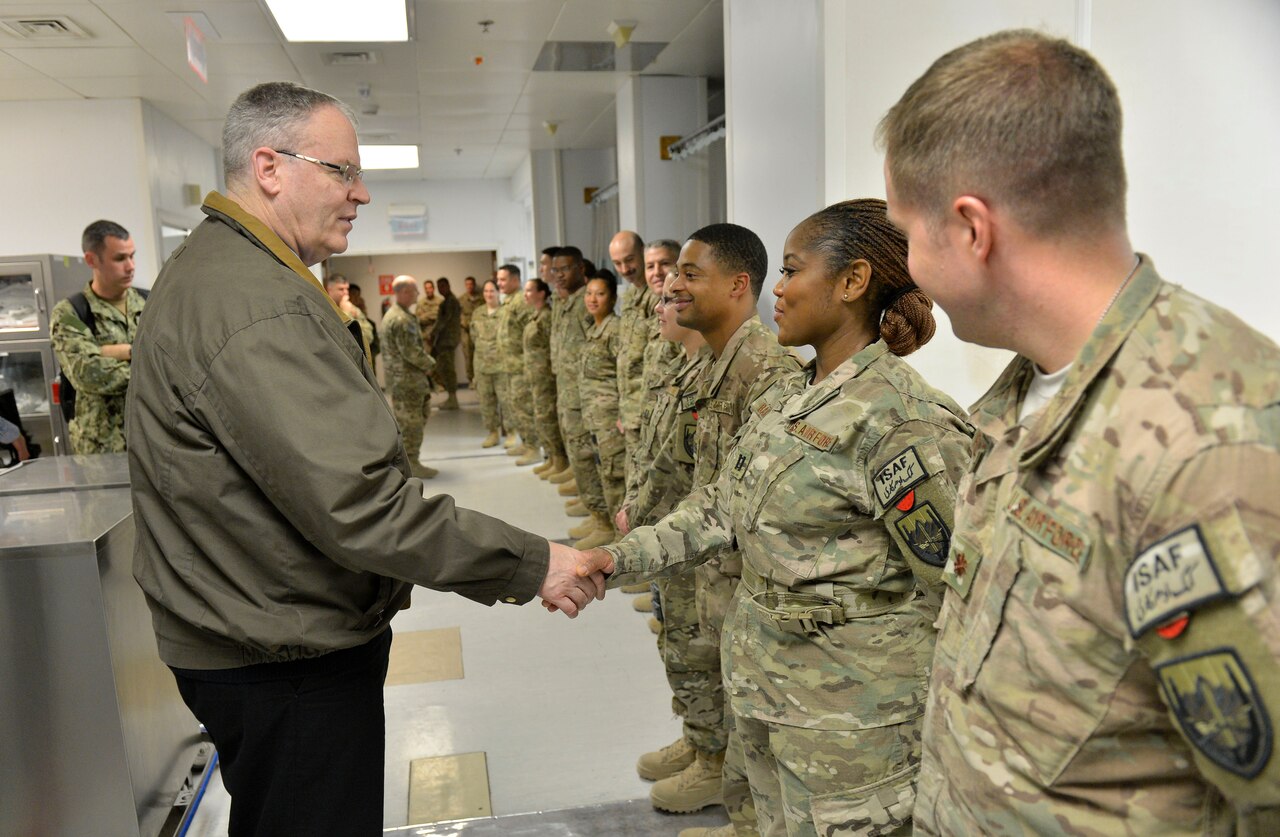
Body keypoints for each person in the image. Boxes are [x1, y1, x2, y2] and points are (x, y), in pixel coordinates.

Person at [126, 81, 605, 837]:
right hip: (282, 652)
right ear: (270, 166)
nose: (361, 193)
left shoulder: (230, 272)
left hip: (251, 626)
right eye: (341, 170)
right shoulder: (256, 302)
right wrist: (531, 561)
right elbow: (357, 502)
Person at [876, 30, 1280, 835]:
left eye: (906, 233)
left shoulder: (1208, 447)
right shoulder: (1024, 397)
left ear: (970, 229)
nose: (908, 264)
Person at [578, 201, 972, 836]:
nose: (778, 290)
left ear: (852, 282)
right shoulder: (800, 399)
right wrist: (615, 558)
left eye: (791, 271)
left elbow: (960, 589)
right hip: (772, 699)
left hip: (852, 732)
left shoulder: (901, 420)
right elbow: (720, 508)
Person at [618, 288, 716, 760]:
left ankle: (712, 754)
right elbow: (655, 451)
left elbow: (695, 473)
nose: (658, 310)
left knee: (693, 649)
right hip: (666, 535)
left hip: (690, 539)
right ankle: (699, 740)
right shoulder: (680, 367)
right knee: (676, 640)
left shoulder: (726, 373)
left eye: (669, 300)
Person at [50, 219, 147, 454]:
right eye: (120, 258)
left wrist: (112, 352)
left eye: (132, 256)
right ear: (92, 260)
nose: (131, 266)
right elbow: (87, 373)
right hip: (101, 449)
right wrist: (142, 357)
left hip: (150, 442)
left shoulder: (151, 302)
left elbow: (179, 358)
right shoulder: (71, 313)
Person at [548, 247, 609, 534]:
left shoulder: (586, 302)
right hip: (568, 391)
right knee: (578, 453)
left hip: (585, 396)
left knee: (588, 456)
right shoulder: (565, 302)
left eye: (565, 269)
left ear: (581, 269)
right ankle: (594, 510)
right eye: (555, 270)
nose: (558, 275)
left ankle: (602, 518)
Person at [577, 275, 623, 549]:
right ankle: (605, 525)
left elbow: (623, 372)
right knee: (603, 473)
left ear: (613, 298)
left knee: (616, 478)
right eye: (589, 294)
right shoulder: (593, 328)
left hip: (610, 418)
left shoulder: (614, 329)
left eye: (600, 294)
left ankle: (622, 540)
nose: (592, 299)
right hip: (594, 417)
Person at [610, 231, 658, 483]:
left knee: (645, 480)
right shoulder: (630, 296)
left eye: (629, 260)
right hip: (631, 408)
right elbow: (628, 359)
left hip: (648, 409)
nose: (625, 268)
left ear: (642, 253)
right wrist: (624, 409)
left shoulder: (659, 298)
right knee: (633, 475)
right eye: (617, 263)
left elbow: (658, 365)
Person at [381, 275, 438, 479]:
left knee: (413, 420)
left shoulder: (398, 314)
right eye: (415, 290)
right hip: (406, 381)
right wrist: (431, 365)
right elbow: (411, 352)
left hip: (405, 380)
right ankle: (411, 463)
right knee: (411, 424)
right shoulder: (400, 319)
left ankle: (411, 461)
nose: (418, 294)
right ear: (405, 292)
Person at [522, 277, 569, 479]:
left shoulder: (547, 317)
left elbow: (553, 348)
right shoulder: (536, 316)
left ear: (542, 293)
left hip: (547, 379)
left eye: (530, 290)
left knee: (548, 419)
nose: (526, 294)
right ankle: (551, 457)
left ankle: (559, 459)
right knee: (541, 418)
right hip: (536, 378)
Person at [471, 279, 505, 447]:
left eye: (492, 291)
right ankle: (493, 433)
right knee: (486, 401)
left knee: (506, 400)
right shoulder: (478, 313)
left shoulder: (505, 311)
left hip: (502, 364)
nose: (489, 295)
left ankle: (511, 431)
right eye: (486, 291)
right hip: (482, 364)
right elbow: (473, 337)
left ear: (499, 292)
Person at [431, 277, 462, 410]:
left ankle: (453, 399)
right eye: (439, 287)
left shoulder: (450, 302)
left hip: (447, 341)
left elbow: (443, 321)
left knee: (448, 369)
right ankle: (451, 397)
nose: (441, 289)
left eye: (443, 286)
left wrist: (432, 333)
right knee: (444, 368)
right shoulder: (447, 301)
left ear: (448, 285)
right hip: (445, 340)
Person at [324, 272, 374, 350]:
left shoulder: (352, 308)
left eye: (347, 289)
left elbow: (368, 337)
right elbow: (338, 339)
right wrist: (346, 314)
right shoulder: (324, 308)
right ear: (329, 289)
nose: (346, 293)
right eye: (341, 289)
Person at [458, 275, 484, 382]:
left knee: (480, 353)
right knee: (468, 355)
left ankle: (480, 378)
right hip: (466, 330)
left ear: (474, 285)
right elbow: (457, 315)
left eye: (471, 284)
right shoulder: (461, 299)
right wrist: (464, 322)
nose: (469, 286)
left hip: (479, 330)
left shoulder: (481, 298)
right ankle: (471, 378)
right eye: (467, 284)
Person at [414, 277, 442, 372]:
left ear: (433, 288)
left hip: (439, 337)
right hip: (426, 338)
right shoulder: (421, 303)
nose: (428, 290)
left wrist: (426, 316)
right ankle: (431, 385)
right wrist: (432, 315)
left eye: (430, 287)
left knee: (441, 363)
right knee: (428, 363)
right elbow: (418, 320)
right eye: (426, 288)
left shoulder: (440, 302)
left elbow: (441, 318)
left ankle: (441, 385)